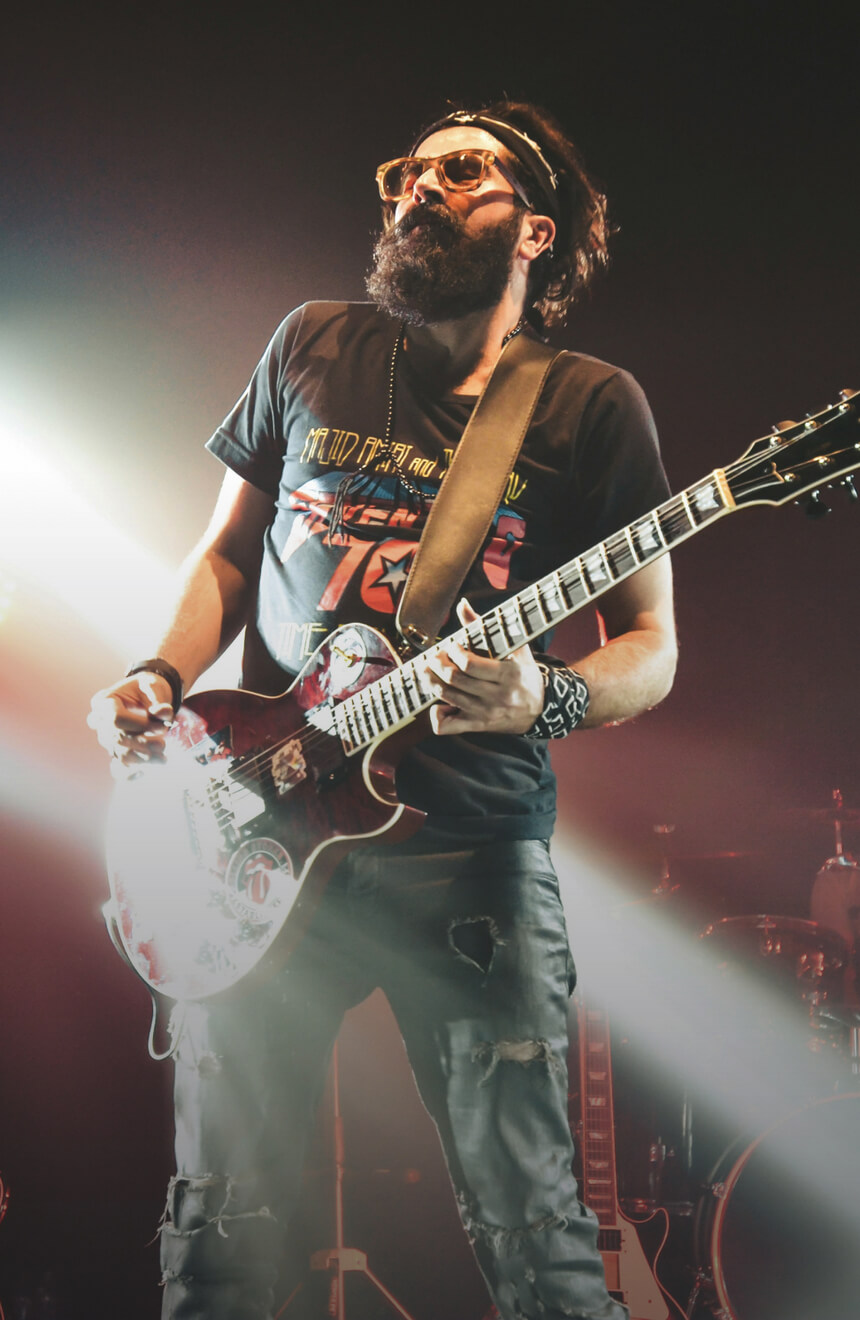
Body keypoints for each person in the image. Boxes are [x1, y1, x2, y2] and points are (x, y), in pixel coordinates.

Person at [89, 101, 677, 1320]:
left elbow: (649, 648)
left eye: (459, 170)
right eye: (407, 170)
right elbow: (228, 558)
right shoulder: (312, 343)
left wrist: (552, 692)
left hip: (468, 850)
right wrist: (158, 675)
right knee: (219, 1235)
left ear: (533, 230)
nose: (418, 187)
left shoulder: (587, 405)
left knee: (537, 1237)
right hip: (260, 825)